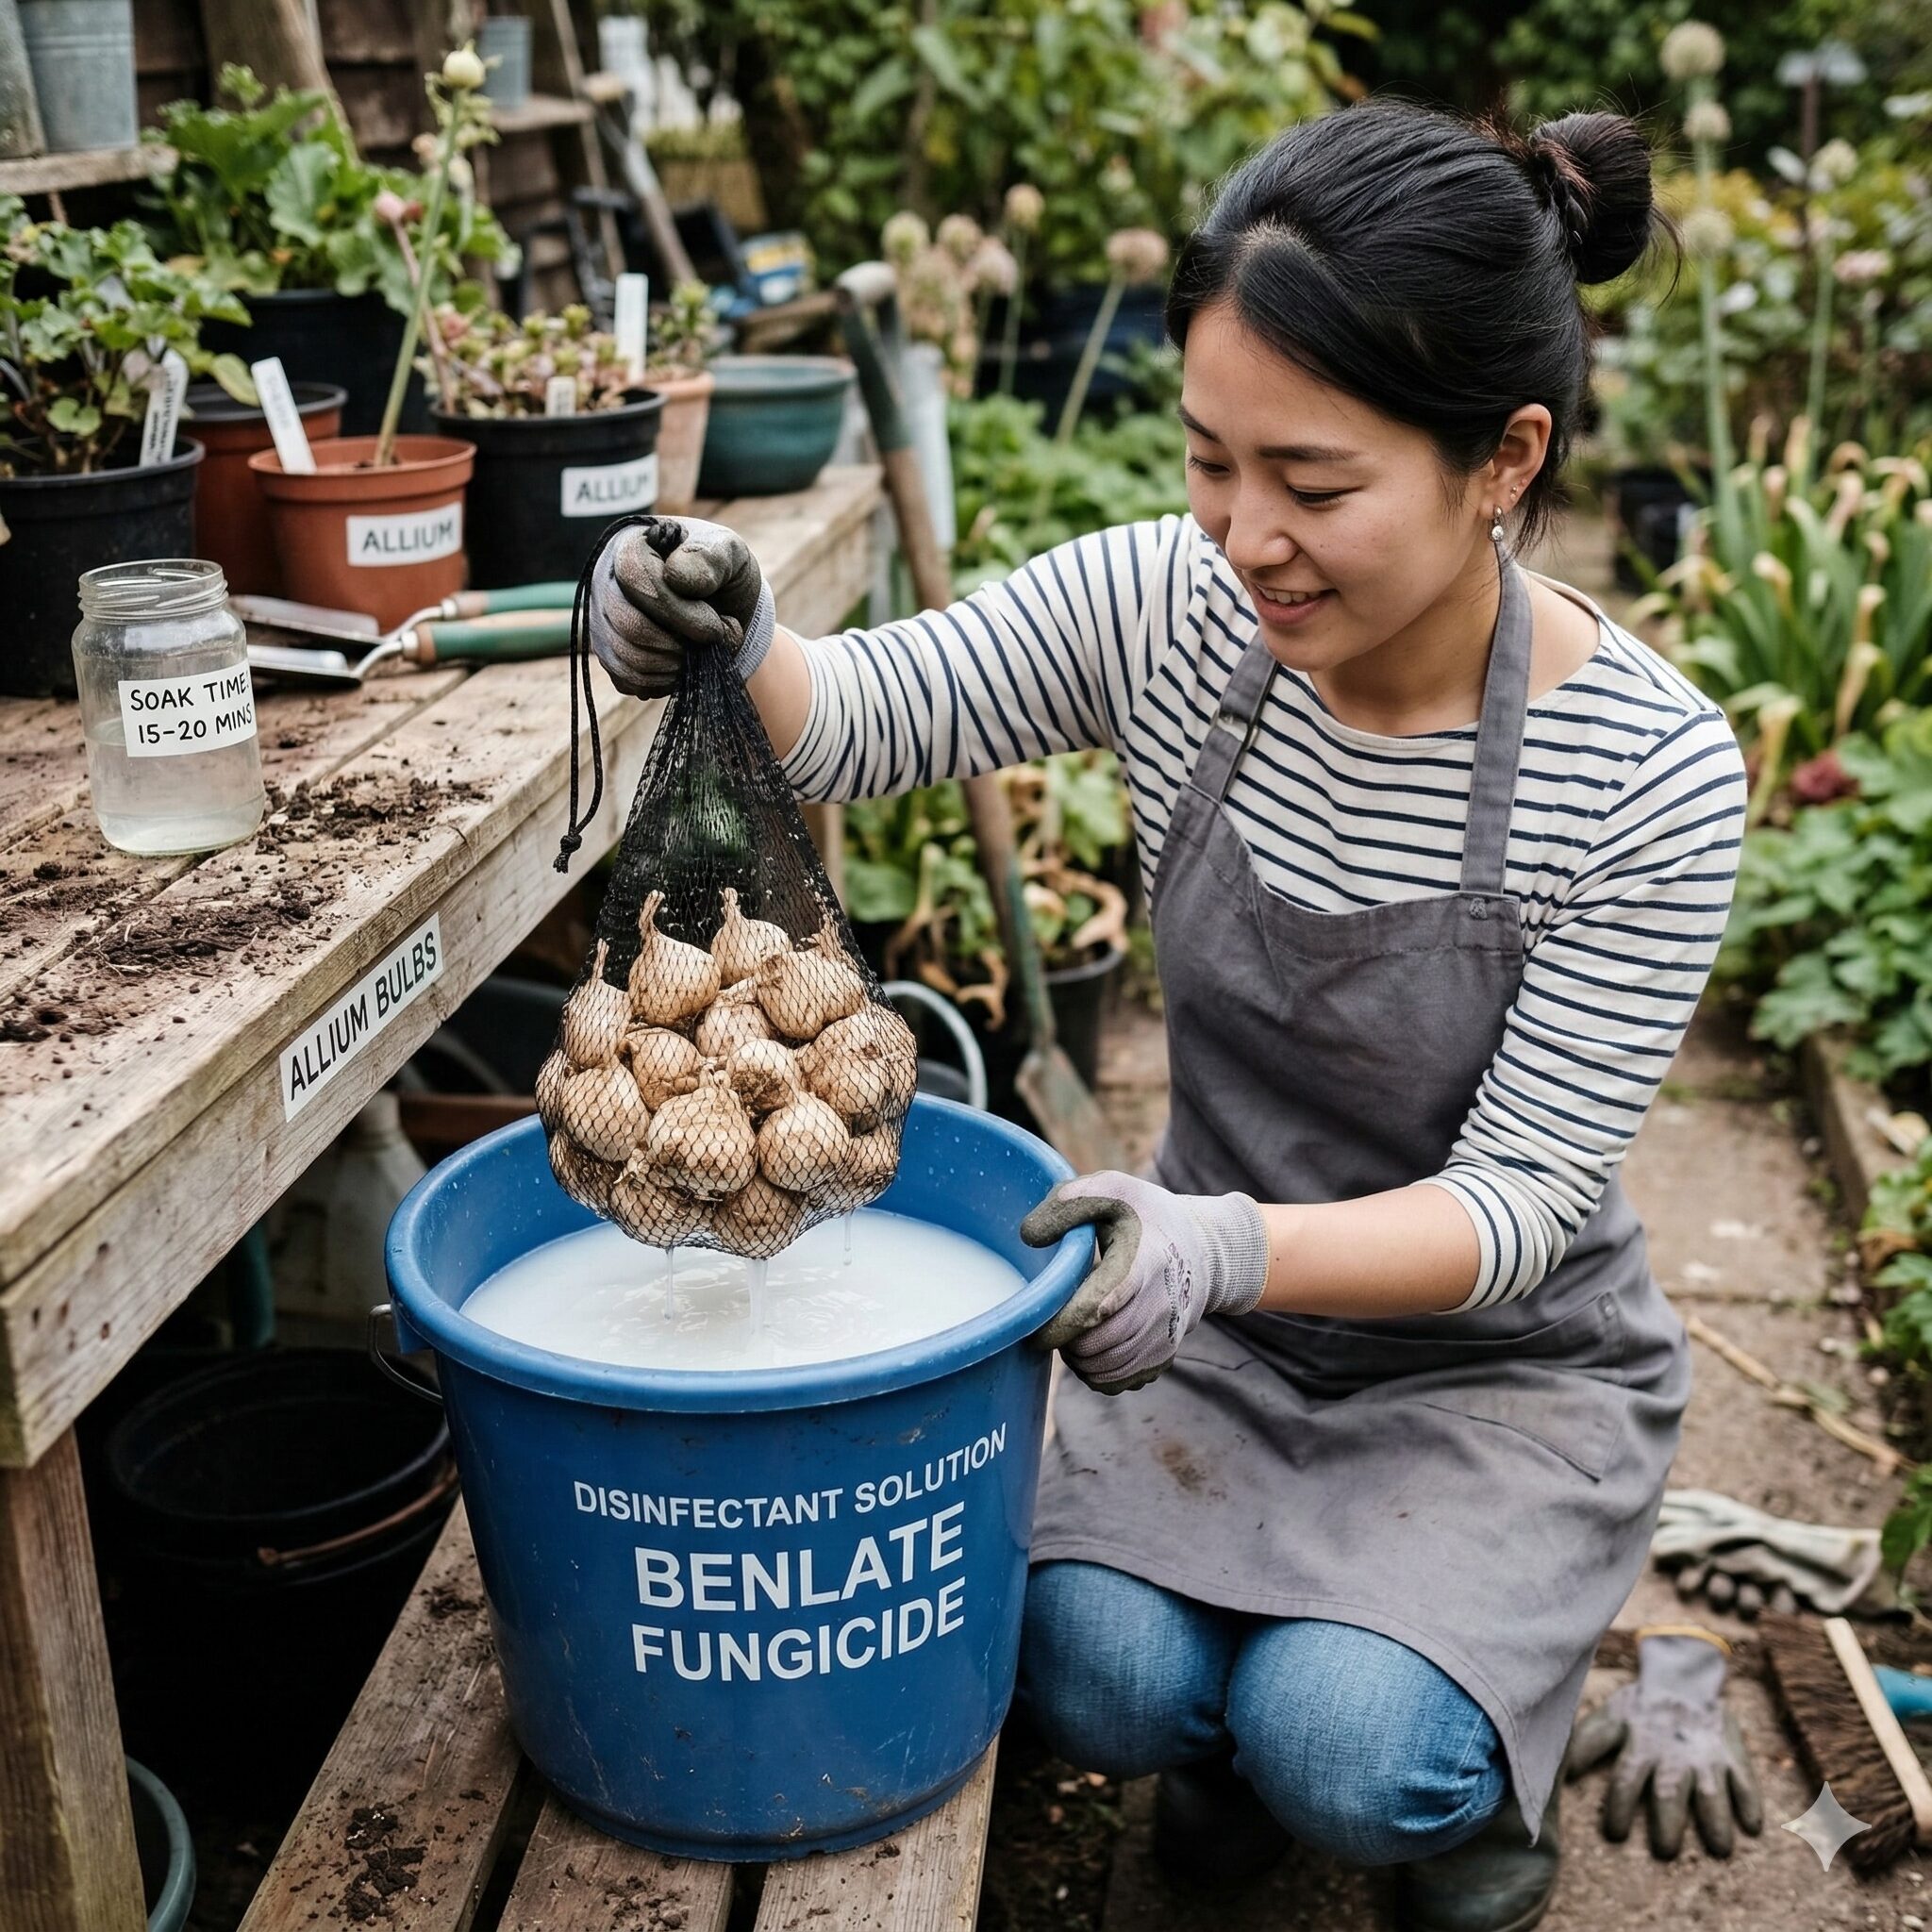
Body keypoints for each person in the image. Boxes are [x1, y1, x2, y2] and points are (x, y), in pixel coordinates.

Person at [590, 100, 1746, 1932]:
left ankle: (1449, 1800)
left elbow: (1518, 1204)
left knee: (1352, 1741)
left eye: (1315, 480)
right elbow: (870, 714)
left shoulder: (1645, 770)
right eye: (1213, 460)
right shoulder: (1173, 605)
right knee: (1088, 1673)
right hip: (1211, 1333)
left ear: (1503, 459)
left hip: (1492, 1363)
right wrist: (704, 612)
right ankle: (1232, 1744)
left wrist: (1216, 1244)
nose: (1246, 537)